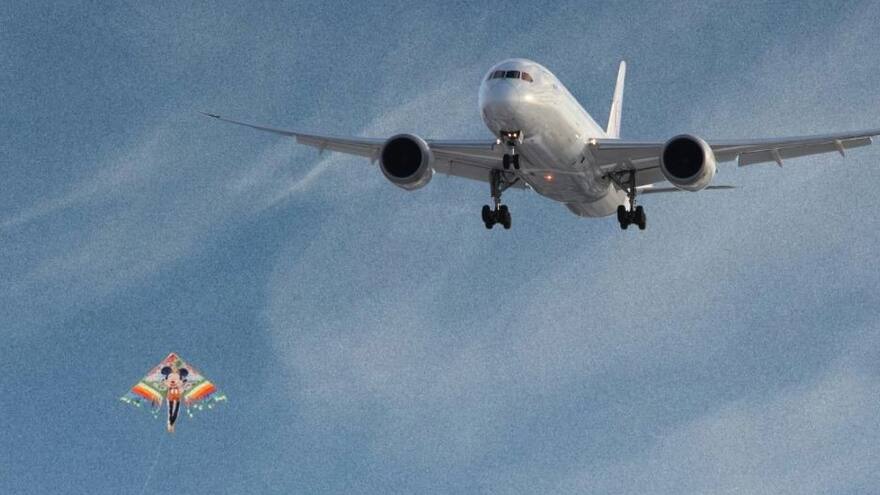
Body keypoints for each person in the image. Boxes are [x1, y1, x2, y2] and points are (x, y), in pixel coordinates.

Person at [159, 366, 189, 433]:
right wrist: (163, 382)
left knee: (175, 410)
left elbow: (182, 387)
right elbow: (166, 383)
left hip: (177, 397)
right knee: (171, 411)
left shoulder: (179, 383)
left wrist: (184, 384)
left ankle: (171, 424)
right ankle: (170, 424)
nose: (173, 381)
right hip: (171, 397)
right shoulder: (169, 382)